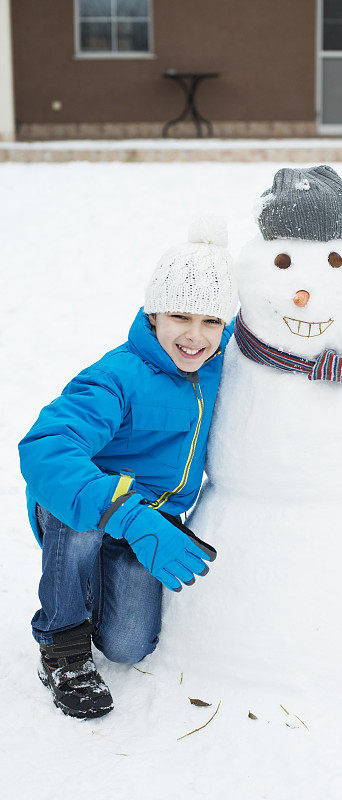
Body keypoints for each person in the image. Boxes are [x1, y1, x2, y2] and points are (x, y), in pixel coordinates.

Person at [18, 217, 237, 720]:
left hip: (153, 523)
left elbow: (284, 353)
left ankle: (93, 582)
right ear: (153, 315)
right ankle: (62, 641)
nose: (195, 335)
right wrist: (123, 511)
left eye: (211, 321)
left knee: (127, 647)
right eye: (180, 316)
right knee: (78, 531)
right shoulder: (116, 377)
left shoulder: (218, 364)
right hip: (90, 507)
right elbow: (45, 446)